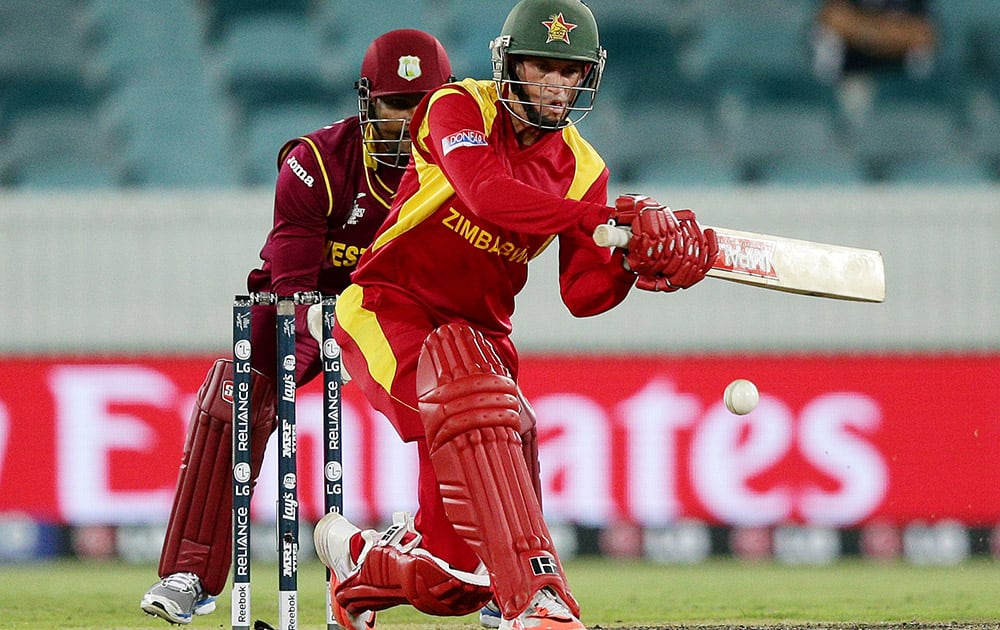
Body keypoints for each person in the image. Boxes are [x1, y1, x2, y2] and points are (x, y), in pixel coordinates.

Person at [314, 2, 718, 630]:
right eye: (543, 66)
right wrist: (597, 220)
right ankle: (539, 596)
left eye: (573, 71)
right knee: (470, 404)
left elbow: (583, 292)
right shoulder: (456, 107)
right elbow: (487, 194)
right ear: (510, 63)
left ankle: (360, 570)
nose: (559, 84)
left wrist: (637, 264)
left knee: (461, 581)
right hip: (391, 307)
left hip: (481, 341)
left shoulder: (585, 169)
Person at [139, 29, 454, 625]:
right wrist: (321, 317)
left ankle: (500, 581)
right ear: (368, 102)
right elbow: (289, 279)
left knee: (482, 405)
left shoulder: (463, 166)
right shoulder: (318, 163)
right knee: (234, 391)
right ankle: (191, 574)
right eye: (397, 106)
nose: (413, 124)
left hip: (406, 309)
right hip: (312, 305)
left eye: (427, 105)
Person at [811, 0, 937, 120]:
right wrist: (890, 36)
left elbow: (921, 35)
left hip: (898, 77)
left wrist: (859, 31)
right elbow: (834, 19)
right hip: (847, 73)